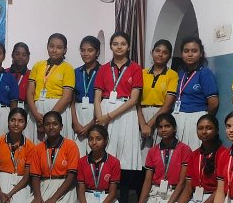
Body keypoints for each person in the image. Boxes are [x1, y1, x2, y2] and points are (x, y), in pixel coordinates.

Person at [154, 115, 223, 203]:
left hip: (212, 201)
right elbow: (188, 186)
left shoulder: (223, 153)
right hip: (195, 198)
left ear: (217, 130)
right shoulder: (195, 154)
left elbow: (219, 191)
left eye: (208, 128)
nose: (204, 132)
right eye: (200, 128)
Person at [132, 113, 192, 203]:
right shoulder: (153, 151)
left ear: (174, 128)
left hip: (174, 193)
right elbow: (147, 181)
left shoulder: (184, 149)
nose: (163, 130)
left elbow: (182, 182)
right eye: (160, 127)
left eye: (167, 126)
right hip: (156, 193)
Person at [94, 31, 143, 175]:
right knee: (105, 148)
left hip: (126, 110)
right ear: (111, 46)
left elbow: (134, 99)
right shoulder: (103, 68)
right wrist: (100, 118)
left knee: (125, 150)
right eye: (115, 44)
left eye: (123, 44)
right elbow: (97, 97)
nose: (119, 47)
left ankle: (124, 186)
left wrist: (109, 116)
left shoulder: (135, 68)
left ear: (128, 47)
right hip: (105, 108)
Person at [21, 111, 79, 203]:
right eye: (47, 124)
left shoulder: (71, 145)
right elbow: (35, 175)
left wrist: (53, 199)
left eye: (55, 124)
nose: (51, 127)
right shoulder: (38, 148)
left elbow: (71, 176)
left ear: (61, 127)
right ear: (43, 127)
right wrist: (37, 196)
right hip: (44, 184)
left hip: (64, 186)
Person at [68, 125, 123, 203]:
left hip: (105, 199)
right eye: (90, 139)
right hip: (87, 198)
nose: (94, 142)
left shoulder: (114, 162)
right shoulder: (82, 162)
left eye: (98, 139)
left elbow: (112, 193)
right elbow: (81, 189)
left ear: (105, 140)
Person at [173, 37, 219, 149]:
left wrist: (203, 120)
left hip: (196, 118)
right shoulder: (181, 73)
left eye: (194, 51)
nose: (190, 54)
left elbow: (213, 103)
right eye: (186, 51)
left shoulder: (205, 73)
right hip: (178, 117)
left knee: (193, 151)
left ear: (201, 53)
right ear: (182, 54)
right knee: (178, 153)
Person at [27, 33, 75, 141]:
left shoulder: (68, 68)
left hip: (57, 110)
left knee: (57, 144)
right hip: (37, 112)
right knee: (37, 144)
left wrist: (48, 119)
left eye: (59, 47)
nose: (54, 50)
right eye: (51, 46)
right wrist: (36, 114)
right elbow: (30, 92)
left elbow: (67, 97)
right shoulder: (37, 65)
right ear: (47, 47)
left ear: (65, 50)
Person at [138, 39, 178, 162]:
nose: (160, 54)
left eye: (165, 52)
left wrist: (149, 125)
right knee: (139, 155)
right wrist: (143, 124)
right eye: (157, 51)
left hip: (161, 116)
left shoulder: (172, 75)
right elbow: (136, 101)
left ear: (169, 56)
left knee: (156, 155)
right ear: (152, 52)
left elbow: (167, 104)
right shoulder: (141, 73)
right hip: (141, 115)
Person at [71, 36, 101, 155]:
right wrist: (75, 122)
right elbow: (71, 100)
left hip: (96, 113)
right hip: (78, 113)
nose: (86, 53)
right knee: (78, 153)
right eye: (83, 50)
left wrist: (92, 124)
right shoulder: (75, 72)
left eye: (90, 50)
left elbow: (102, 99)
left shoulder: (103, 71)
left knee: (95, 150)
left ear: (97, 52)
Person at [7, 42, 36, 141]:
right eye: (17, 54)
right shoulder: (5, 73)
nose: (20, 57)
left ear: (28, 57)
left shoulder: (32, 75)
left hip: (26, 108)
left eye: (24, 55)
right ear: (12, 55)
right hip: (7, 108)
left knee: (25, 140)